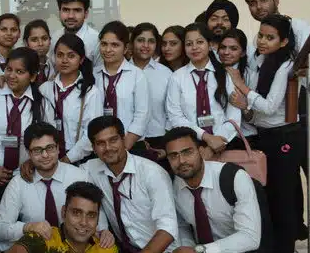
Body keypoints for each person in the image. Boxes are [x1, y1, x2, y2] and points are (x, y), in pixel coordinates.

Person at [244, 0, 310, 237]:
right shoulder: (258, 40)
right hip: (274, 118)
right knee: (287, 177)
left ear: (276, 1)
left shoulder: (299, 27)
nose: (258, 6)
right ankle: (296, 229)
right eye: (252, 3)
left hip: (302, 109)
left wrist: (292, 71)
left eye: (263, 0)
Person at [83, 116, 184, 253]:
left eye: (113, 140)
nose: (108, 148)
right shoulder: (91, 169)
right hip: (127, 251)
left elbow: (167, 231)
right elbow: (59, 171)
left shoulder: (152, 174)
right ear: (93, 147)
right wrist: (102, 228)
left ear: (124, 140)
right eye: (101, 143)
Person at [226, 14, 302, 253]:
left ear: (284, 42)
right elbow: (256, 113)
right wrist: (246, 107)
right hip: (264, 135)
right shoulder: (259, 61)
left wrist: (243, 88)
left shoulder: (286, 66)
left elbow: (269, 107)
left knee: (284, 197)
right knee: (269, 197)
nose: (262, 41)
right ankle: (272, 250)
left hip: (284, 136)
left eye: (270, 38)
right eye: (261, 35)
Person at [165, 127, 263, 253]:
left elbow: (250, 237)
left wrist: (200, 251)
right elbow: (182, 225)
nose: (181, 161)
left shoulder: (233, 177)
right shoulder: (175, 185)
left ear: (201, 151)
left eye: (187, 152)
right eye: (174, 156)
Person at [0, 122, 114, 245]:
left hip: (79, 249)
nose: (45, 155)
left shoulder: (80, 176)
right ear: (28, 153)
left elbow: (98, 215)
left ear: (58, 148)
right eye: (37, 150)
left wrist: (103, 231)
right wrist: (27, 227)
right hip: (37, 251)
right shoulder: (18, 184)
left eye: (50, 148)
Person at [0, 47, 48, 222]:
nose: (12, 76)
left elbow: (43, 139)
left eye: (20, 72)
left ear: (32, 76)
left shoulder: (41, 100)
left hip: (25, 175)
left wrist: (32, 163)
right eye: (8, 69)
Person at [166, 23, 241, 155]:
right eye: (189, 44)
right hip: (190, 146)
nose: (194, 47)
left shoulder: (225, 74)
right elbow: (175, 117)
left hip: (224, 144)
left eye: (200, 42)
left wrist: (217, 142)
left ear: (210, 45)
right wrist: (206, 137)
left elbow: (234, 115)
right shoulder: (177, 77)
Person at [41, 34, 100, 165]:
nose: (64, 60)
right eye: (60, 55)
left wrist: (68, 158)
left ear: (81, 59)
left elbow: (92, 132)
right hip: (48, 156)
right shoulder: (45, 89)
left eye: (71, 56)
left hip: (79, 159)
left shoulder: (90, 92)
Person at [94, 21, 149, 151]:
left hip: (131, 145)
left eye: (115, 45)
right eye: (104, 44)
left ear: (125, 48)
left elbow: (142, 114)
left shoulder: (137, 75)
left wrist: (124, 146)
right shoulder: (93, 75)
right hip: (101, 146)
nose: (108, 50)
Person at [129, 23, 173, 167]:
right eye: (141, 40)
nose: (146, 45)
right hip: (128, 140)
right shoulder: (122, 72)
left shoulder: (166, 73)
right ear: (131, 43)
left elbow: (172, 111)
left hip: (159, 141)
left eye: (151, 41)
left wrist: (166, 143)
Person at [218, 29, 258, 150]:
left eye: (233, 48)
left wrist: (245, 107)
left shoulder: (251, 76)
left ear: (243, 53)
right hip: (217, 136)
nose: (226, 52)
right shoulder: (210, 73)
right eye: (223, 47)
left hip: (245, 137)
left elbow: (258, 116)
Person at [49, 0, 101, 65]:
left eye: (77, 10)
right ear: (59, 11)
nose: (71, 16)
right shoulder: (54, 38)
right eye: (66, 10)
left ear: (86, 13)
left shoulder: (96, 41)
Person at [23, 19, 54, 84]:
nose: (40, 43)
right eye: (34, 40)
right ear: (26, 43)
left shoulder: (55, 66)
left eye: (44, 38)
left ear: (50, 40)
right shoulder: (20, 67)